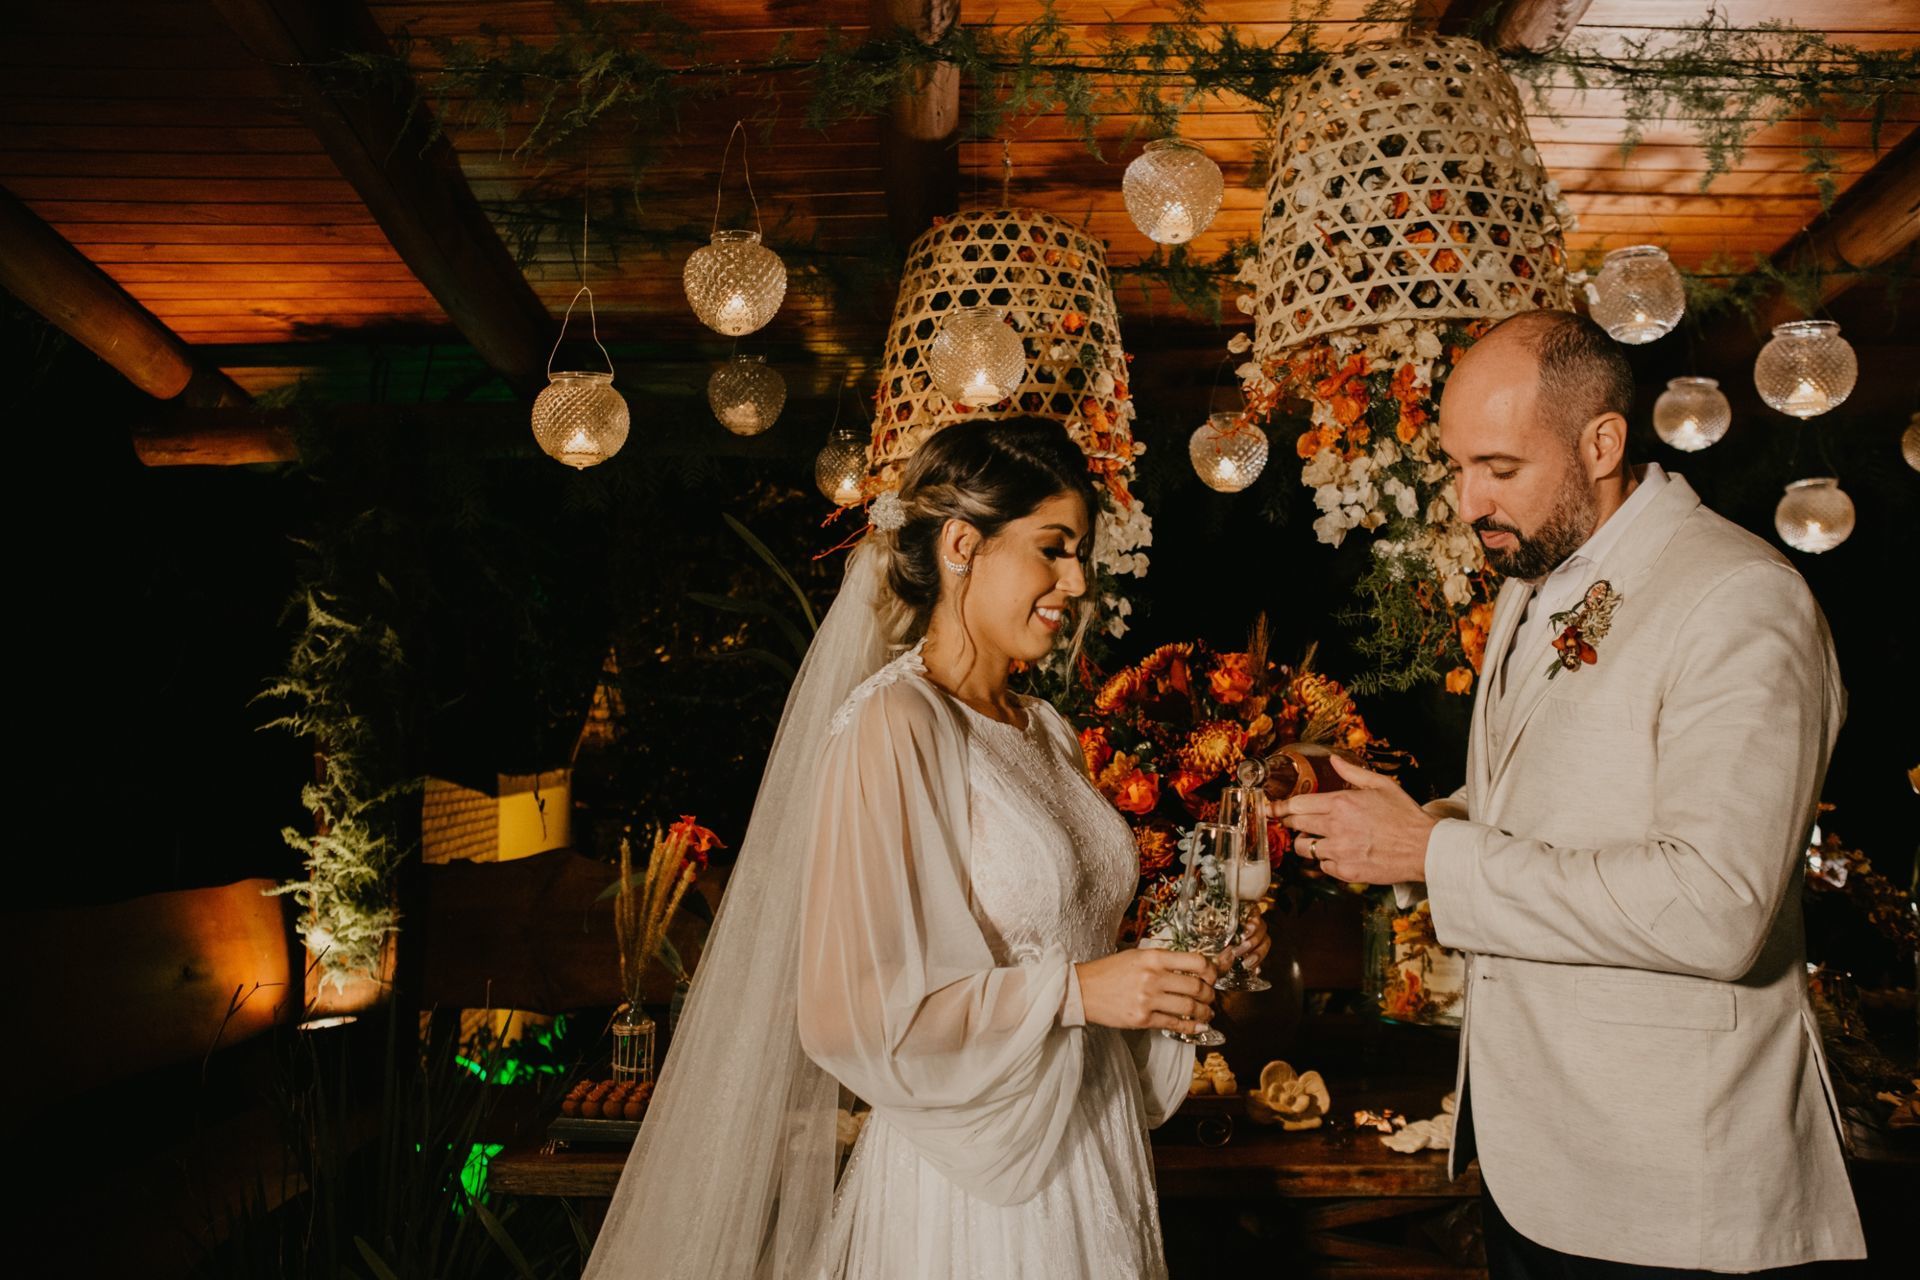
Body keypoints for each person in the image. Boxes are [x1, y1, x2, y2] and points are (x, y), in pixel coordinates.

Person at [585, 417, 1268, 1280]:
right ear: (961, 546)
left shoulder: (1047, 730)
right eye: (1053, 549)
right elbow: (850, 1013)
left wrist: (1179, 965)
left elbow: (1081, 967)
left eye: (1083, 553)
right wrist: (1077, 993)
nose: (1077, 580)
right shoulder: (896, 725)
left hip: (1096, 1153)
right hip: (977, 1193)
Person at [1278, 311, 1865, 1276]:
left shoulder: (1741, 600)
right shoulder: (1540, 579)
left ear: (1602, 443)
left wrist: (1433, 857)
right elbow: (1561, 796)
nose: (1468, 500)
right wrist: (1417, 821)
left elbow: (1715, 908)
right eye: (1458, 466)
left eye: (1500, 468)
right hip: (1538, 1169)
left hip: (1678, 1194)